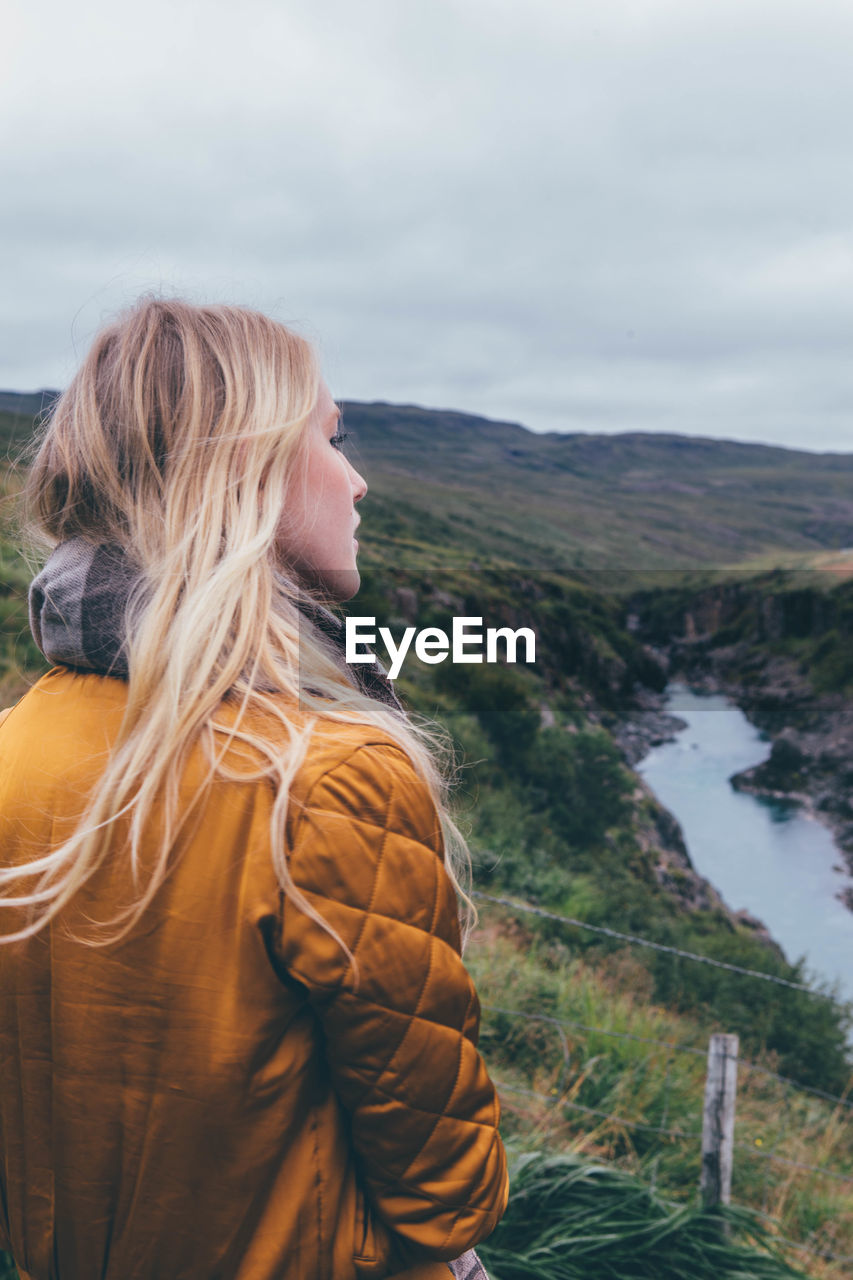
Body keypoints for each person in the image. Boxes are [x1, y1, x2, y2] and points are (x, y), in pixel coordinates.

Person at [0, 297, 508, 1279]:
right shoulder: (328, 778)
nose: (357, 482)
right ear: (249, 468)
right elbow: (448, 1190)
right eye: (332, 437)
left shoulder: (13, 745)